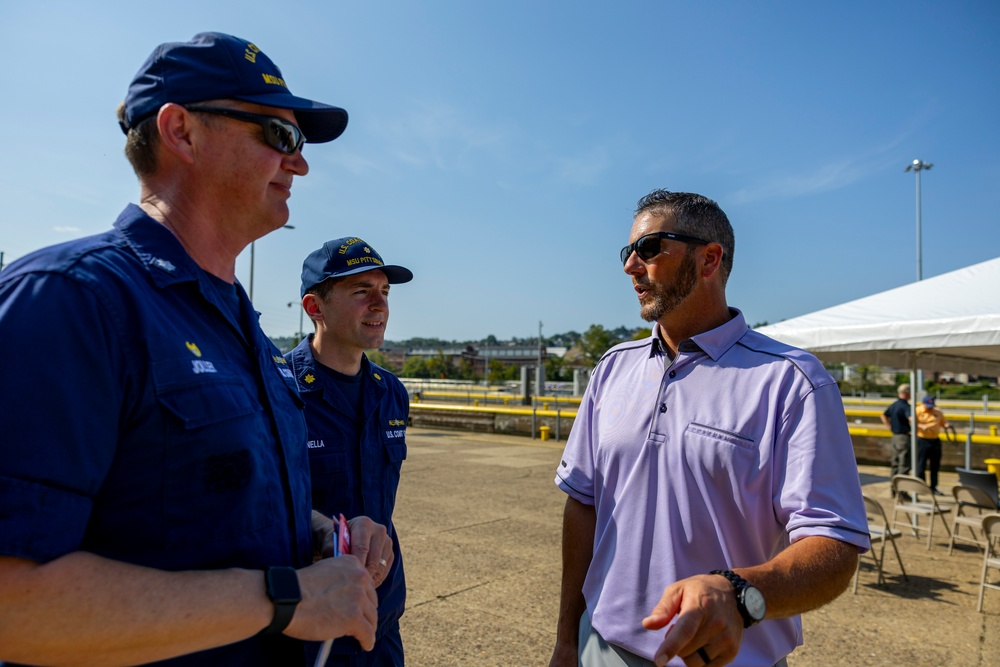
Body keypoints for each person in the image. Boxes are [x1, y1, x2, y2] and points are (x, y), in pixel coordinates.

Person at [0, 32, 394, 666]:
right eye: (280, 136)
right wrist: (286, 599)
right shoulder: (71, 302)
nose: (300, 164)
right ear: (181, 131)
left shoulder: (240, 328)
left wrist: (321, 534)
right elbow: (11, 603)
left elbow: (200, 513)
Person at [550, 190, 870, 667]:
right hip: (602, 648)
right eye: (628, 252)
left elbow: (834, 546)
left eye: (650, 248)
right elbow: (583, 506)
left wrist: (740, 593)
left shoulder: (791, 381)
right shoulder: (612, 368)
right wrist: (567, 640)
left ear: (709, 259)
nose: (631, 266)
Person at [286, 238, 413, 666]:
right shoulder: (278, 392)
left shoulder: (391, 392)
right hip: (308, 623)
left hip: (382, 614)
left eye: (385, 292)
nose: (379, 304)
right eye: (361, 292)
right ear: (314, 307)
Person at [915, 395, 950, 495]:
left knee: (935, 466)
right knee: (921, 465)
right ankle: (921, 486)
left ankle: (933, 487)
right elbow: (911, 422)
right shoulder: (917, 411)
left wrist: (946, 425)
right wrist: (921, 425)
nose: (930, 408)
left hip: (935, 440)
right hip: (922, 440)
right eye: (928, 405)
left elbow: (944, 422)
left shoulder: (937, 412)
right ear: (923, 403)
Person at [881, 383, 912, 477]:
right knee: (904, 463)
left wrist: (890, 427)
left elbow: (883, 415)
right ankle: (902, 489)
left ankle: (894, 486)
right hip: (903, 436)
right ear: (907, 393)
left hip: (895, 436)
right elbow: (911, 418)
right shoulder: (906, 406)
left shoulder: (894, 405)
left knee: (895, 462)